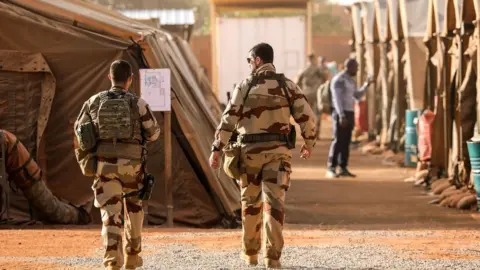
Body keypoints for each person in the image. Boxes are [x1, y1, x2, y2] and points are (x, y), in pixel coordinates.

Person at [209, 43, 316, 269]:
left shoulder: (245, 86)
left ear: (257, 60)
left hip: (249, 156)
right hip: (279, 156)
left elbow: (228, 119)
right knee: (275, 206)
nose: (249, 66)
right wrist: (309, 142)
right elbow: (307, 116)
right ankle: (272, 257)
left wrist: (217, 148)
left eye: (249, 61)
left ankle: (250, 254)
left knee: (250, 204)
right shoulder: (288, 86)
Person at [74, 60, 161, 270]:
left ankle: (113, 262)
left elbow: (80, 131)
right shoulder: (138, 103)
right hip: (133, 167)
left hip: (105, 166)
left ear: (109, 77)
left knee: (110, 215)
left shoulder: (94, 101)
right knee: (134, 209)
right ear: (130, 79)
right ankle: (132, 257)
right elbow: (154, 133)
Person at [326, 58, 373, 178]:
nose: (357, 70)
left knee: (346, 141)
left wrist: (366, 85)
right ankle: (331, 167)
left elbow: (357, 96)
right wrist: (341, 115)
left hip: (350, 112)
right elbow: (336, 99)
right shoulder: (339, 80)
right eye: (356, 67)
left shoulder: (351, 81)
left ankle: (343, 167)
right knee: (337, 140)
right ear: (349, 67)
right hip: (340, 113)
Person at [297, 53, 328, 139]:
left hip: (306, 94)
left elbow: (297, 82)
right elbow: (325, 78)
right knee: (317, 113)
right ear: (314, 59)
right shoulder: (318, 68)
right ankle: (316, 133)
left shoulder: (303, 69)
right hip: (316, 94)